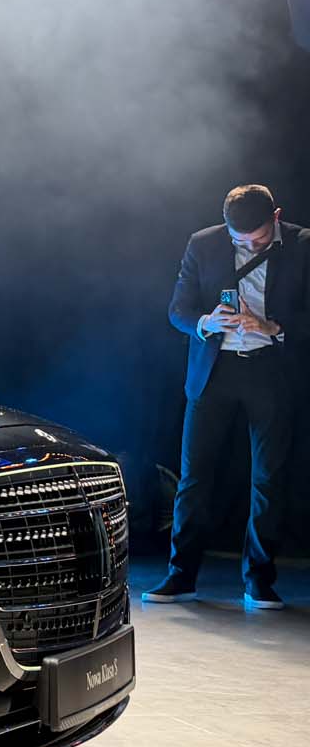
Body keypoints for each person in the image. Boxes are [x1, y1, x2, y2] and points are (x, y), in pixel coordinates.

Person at [145, 184, 304, 609]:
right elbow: (178, 310)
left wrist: (273, 327)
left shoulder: (303, 244)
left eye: (259, 240)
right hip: (214, 372)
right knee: (194, 476)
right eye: (240, 241)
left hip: (271, 371)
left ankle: (259, 580)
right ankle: (181, 575)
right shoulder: (203, 242)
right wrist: (205, 322)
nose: (249, 246)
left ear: (276, 217)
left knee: (268, 478)